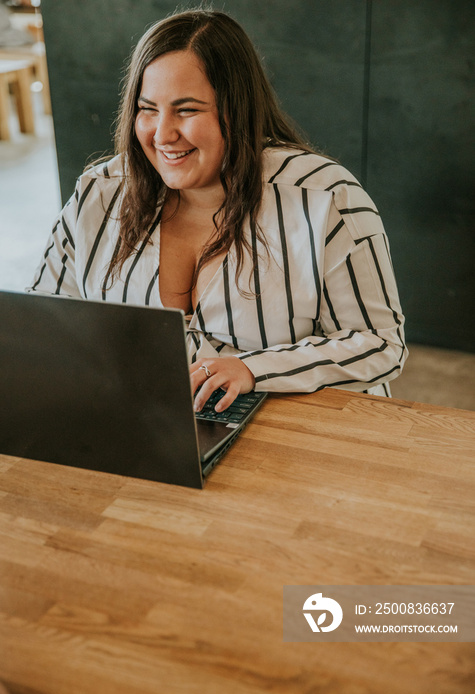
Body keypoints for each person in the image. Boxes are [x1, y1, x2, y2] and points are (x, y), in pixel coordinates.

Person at [28, 8, 407, 413]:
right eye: (148, 109)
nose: (162, 134)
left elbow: (380, 344)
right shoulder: (98, 193)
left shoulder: (326, 198)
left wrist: (254, 369)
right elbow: (44, 325)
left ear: (238, 108)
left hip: (300, 439)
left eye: (187, 109)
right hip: (151, 427)